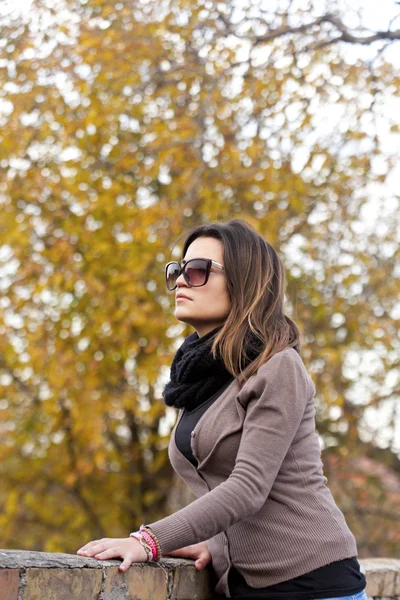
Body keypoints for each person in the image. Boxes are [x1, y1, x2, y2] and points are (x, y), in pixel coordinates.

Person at [77, 219, 368, 600]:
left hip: (313, 582)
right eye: (178, 270)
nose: (181, 280)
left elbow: (248, 487)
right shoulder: (203, 379)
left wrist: (150, 541)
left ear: (243, 283)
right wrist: (217, 545)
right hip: (240, 584)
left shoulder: (278, 367)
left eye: (198, 271)